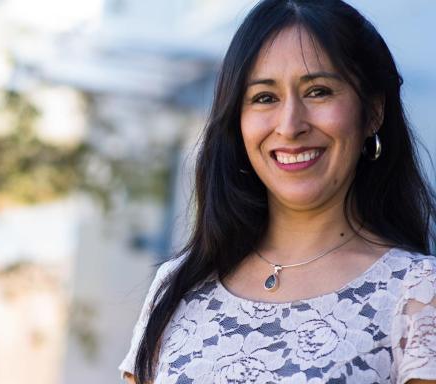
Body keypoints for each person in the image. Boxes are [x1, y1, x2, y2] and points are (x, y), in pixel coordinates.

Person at [119, 0, 436, 383]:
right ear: (237, 122)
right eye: (265, 98)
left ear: (372, 113)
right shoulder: (176, 287)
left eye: (318, 91)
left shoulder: (418, 295)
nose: (289, 125)